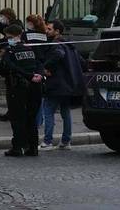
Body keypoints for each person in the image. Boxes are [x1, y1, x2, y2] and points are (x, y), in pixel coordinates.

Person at [0, 23, 48, 157]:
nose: (8, 39)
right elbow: (40, 63)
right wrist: (38, 75)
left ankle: (18, 147)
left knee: (17, 118)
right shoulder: (30, 49)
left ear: (17, 36)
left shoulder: (10, 51)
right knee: (31, 118)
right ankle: (32, 147)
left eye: (9, 37)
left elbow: (8, 67)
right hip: (35, 86)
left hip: (18, 87)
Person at [39, 20, 83, 150]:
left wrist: (46, 67)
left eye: (49, 29)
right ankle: (66, 140)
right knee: (65, 112)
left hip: (56, 84)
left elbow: (58, 54)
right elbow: (81, 61)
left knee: (48, 111)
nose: (46, 32)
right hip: (68, 85)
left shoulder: (56, 44)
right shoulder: (69, 44)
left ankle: (47, 141)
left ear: (57, 31)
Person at [0, 8, 19, 121]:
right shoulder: (8, 26)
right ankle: (12, 112)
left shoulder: (16, 25)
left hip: (15, 69)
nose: (1, 18)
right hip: (11, 69)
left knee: (13, 92)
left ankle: (13, 113)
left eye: (2, 16)